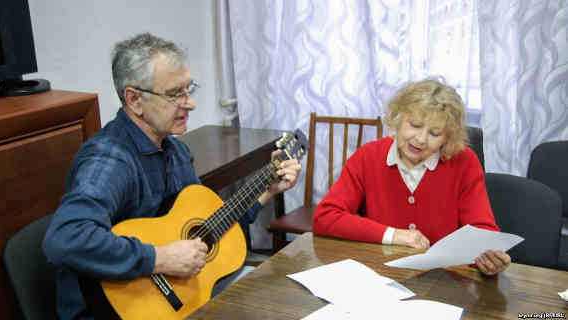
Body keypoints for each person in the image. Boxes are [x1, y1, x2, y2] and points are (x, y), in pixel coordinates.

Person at [42, 33, 301, 320]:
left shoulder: (175, 152)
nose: (190, 104)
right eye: (176, 93)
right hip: (111, 310)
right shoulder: (110, 160)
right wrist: (160, 258)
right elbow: (65, 238)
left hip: (175, 299)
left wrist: (267, 190)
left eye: (189, 89)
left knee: (280, 294)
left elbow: (207, 229)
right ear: (135, 100)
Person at [312, 79, 510, 276]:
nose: (421, 139)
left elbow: (482, 231)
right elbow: (326, 217)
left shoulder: (464, 162)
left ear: (447, 137)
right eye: (414, 125)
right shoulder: (368, 156)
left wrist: (489, 258)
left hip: (445, 281)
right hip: (381, 277)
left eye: (435, 133)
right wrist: (393, 235)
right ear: (398, 119)